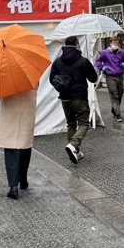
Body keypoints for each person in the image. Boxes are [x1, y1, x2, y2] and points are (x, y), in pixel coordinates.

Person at [49, 36, 98, 164]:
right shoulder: (83, 61)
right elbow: (93, 78)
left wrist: (62, 86)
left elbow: (51, 79)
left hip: (64, 97)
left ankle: (75, 151)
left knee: (71, 124)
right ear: (77, 45)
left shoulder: (58, 61)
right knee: (84, 123)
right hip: (79, 97)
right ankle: (73, 145)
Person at [0, 88, 38, 200]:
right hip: (26, 109)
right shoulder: (31, 73)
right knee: (25, 144)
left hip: (9, 109)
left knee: (10, 147)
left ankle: (13, 186)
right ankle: (22, 179)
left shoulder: (4, 74)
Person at [95, 37, 124, 122]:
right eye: (114, 42)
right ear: (110, 43)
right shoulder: (104, 53)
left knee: (120, 93)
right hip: (110, 76)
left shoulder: (122, 52)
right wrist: (102, 67)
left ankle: (114, 110)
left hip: (120, 76)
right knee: (114, 94)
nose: (116, 44)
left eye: (117, 42)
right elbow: (98, 61)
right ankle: (118, 114)